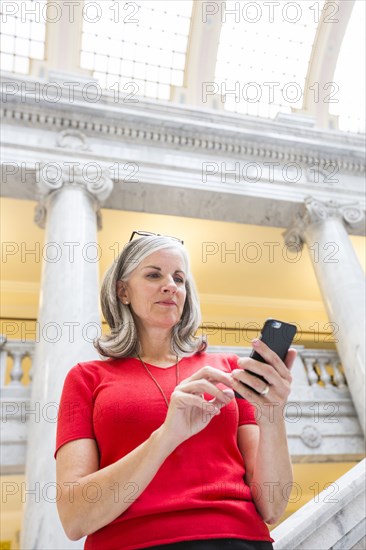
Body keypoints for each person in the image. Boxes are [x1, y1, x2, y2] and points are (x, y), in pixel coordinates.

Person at [55, 231, 296, 550]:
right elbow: (75, 518)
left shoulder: (226, 368)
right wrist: (168, 435)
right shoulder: (86, 377)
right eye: (154, 274)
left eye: (179, 278)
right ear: (122, 291)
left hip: (238, 540)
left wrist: (273, 416)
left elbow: (273, 506)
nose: (171, 285)